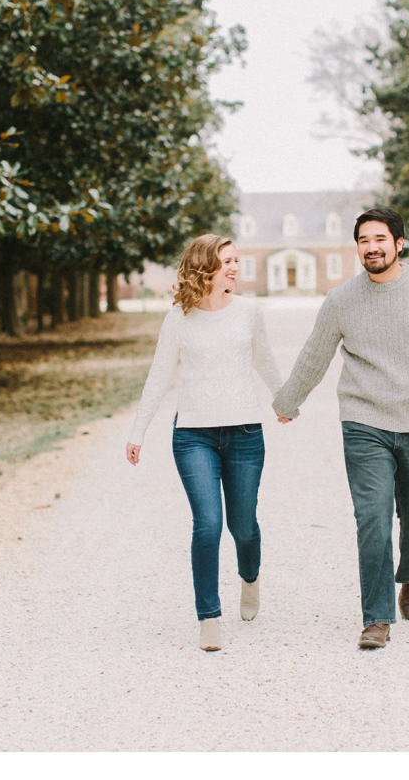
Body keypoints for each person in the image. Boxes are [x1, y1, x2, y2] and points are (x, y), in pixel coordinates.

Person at [272, 207, 409, 649]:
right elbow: (314, 355)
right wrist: (288, 401)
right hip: (364, 423)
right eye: (363, 240)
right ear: (357, 247)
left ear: (399, 243)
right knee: (372, 519)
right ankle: (376, 618)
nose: (372, 247)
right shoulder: (342, 300)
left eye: (380, 239)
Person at [126, 234, 284, 652]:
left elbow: (264, 359)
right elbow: (159, 376)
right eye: (226, 261)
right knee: (208, 524)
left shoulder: (249, 312)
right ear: (204, 266)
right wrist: (138, 430)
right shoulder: (179, 317)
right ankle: (209, 617)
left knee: (243, 526)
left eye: (236, 261)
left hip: (245, 433)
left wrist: (284, 399)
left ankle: (249, 578)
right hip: (193, 434)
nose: (234, 268)